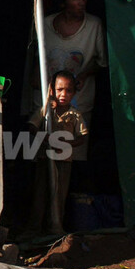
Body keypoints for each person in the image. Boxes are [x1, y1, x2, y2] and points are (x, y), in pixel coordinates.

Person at [33, 0, 107, 160]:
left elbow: (102, 62)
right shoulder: (44, 25)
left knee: (73, 157)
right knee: (44, 157)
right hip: (47, 104)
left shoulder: (94, 25)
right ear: (63, 2)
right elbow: (35, 62)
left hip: (78, 103)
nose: (82, 2)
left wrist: (84, 74)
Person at [26, 71, 88, 234]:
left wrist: (67, 144)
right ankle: (34, 229)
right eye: (60, 90)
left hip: (64, 162)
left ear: (74, 93)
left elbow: (82, 137)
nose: (63, 94)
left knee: (59, 195)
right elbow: (31, 126)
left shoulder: (75, 114)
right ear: (52, 90)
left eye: (68, 91)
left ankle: (55, 228)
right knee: (40, 194)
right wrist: (46, 138)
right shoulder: (46, 110)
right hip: (44, 158)